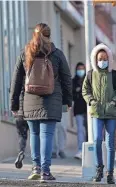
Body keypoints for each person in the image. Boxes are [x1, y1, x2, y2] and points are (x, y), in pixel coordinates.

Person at [10, 23, 72, 181]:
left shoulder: (25, 53)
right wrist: (67, 100)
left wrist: (14, 104)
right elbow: (66, 80)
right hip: (52, 100)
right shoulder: (57, 54)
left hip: (30, 100)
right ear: (49, 36)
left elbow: (16, 81)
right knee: (47, 135)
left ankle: (35, 167)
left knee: (35, 134)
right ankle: (45, 171)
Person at [82, 43, 116, 184]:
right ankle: (99, 169)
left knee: (110, 143)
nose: (103, 61)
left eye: (105, 58)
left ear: (109, 59)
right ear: (95, 59)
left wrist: (114, 101)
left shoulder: (114, 75)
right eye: (100, 58)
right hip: (97, 113)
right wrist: (91, 101)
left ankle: (110, 173)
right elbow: (85, 91)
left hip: (112, 113)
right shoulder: (90, 74)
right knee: (97, 141)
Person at [73, 62, 87, 160]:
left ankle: (89, 150)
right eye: (79, 69)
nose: (80, 71)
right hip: (78, 109)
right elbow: (71, 95)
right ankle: (80, 150)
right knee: (80, 130)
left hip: (89, 110)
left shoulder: (88, 79)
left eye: (82, 69)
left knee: (88, 131)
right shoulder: (73, 81)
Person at [14, 85, 29, 169]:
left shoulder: (19, 74)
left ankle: (21, 151)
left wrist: (13, 108)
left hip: (20, 112)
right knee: (36, 134)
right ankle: (37, 162)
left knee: (22, 135)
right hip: (33, 112)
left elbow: (13, 91)